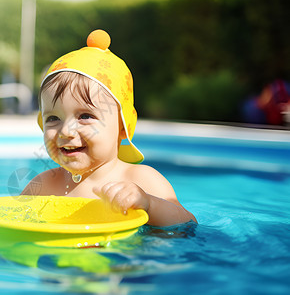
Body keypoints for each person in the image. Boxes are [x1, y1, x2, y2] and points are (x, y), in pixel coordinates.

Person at [21, 30, 196, 227]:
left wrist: (150, 204)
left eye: (85, 116)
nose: (66, 131)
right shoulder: (43, 186)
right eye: (53, 118)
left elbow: (187, 223)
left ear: (122, 127)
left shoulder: (141, 180)